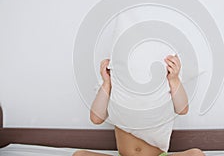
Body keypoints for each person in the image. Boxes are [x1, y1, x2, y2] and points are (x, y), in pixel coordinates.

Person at [73, 55, 205, 156]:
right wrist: (106, 82)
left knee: (196, 154)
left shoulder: (163, 85)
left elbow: (182, 109)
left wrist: (174, 79)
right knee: (79, 155)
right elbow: (96, 118)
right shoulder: (117, 87)